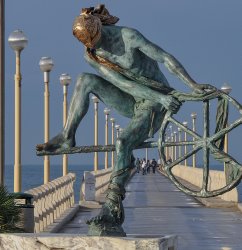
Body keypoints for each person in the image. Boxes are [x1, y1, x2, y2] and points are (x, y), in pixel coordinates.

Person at [36, 4, 214, 236]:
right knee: (84, 80)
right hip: (133, 99)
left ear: (100, 30)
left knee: (123, 143)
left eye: (95, 42)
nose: (94, 48)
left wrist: (191, 85)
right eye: (90, 45)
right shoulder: (93, 54)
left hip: (155, 104)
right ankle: (67, 135)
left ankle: (111, 206)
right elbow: (124, 85)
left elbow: (165, 58)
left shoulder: (128, 36)